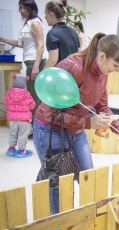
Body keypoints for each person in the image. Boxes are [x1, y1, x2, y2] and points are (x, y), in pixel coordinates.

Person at [33, 33, 119, 216]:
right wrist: (86, 122)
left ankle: (81, 221)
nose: (117, 70)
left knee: (88, 176)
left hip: (76, 131)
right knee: (59, 184)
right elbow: (50, 112)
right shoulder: (72, 66)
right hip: (50, 130)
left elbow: (103, 108)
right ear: (102, 56)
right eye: (116, 65)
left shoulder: (102, 72)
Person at [0, 0, 46, 133]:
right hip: (30, 62)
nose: (22, 10)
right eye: (20, 8)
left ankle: (36, 128)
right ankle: (35, 126)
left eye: (24, 8)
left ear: (31, 8)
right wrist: (3, 39)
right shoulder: (28, 23)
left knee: (34, 96)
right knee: (33, 94)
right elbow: (21, 44)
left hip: (35, 62)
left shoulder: (35, 23)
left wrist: (36, 66)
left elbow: (41, 46)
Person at [4, 74, 35, 158]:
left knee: (12, 133)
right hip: (24, 119)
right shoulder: (26, 93)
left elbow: (6, 102)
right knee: (23, 135)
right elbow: (32, 105)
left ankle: (11, 149)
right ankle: (21, 151)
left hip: (12, 119)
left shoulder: (10, 92)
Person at [43, 1, 80, 68]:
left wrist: (43, 74)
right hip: (73, 73)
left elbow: (53, 60)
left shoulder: (52, 33)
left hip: (60, 74)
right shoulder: (73, 32)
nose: (45, 17)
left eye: (46, 13)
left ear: (51, 14)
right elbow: (78, 54)